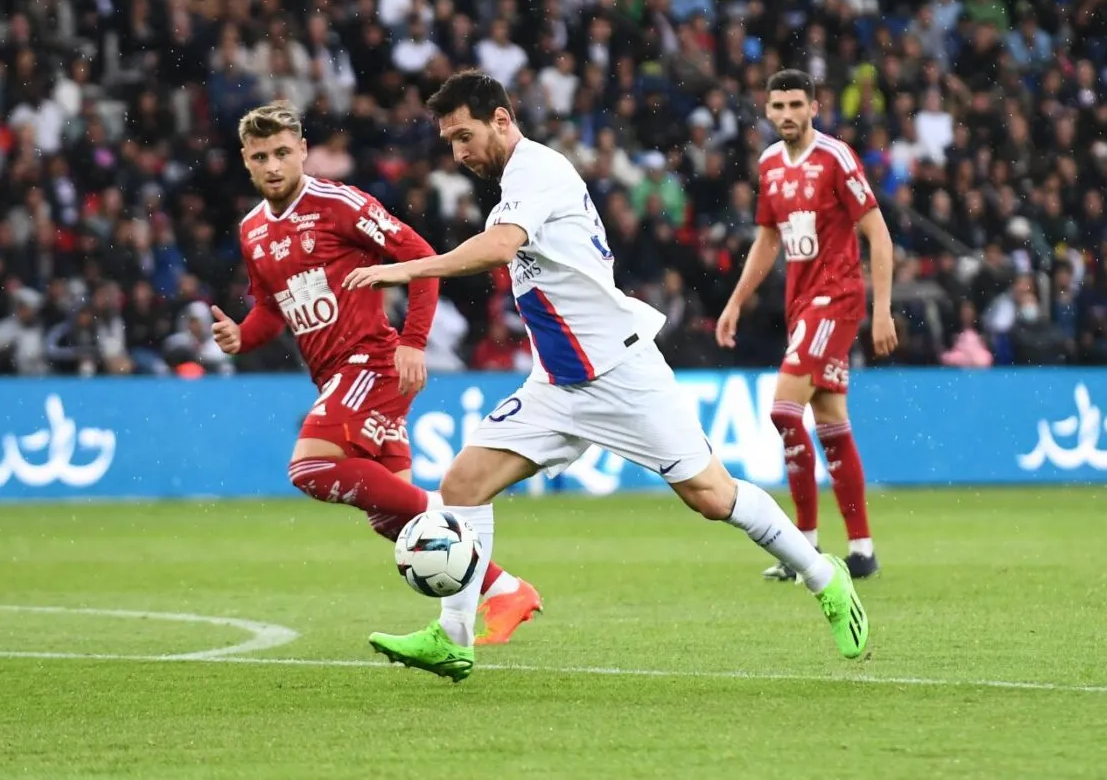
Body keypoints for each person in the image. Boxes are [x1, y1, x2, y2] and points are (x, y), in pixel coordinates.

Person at [345, 72, 868, 682]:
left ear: (502, 119)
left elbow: (496, 247)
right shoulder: (516, 179)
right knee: (462, 484)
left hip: (621, 374)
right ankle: (452, 637)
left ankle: (824, 577)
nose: (459, 153)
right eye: (450, 142)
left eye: (465, 136)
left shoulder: (536, 170)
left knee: (713, 498)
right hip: (558, 383)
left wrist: (404, 271)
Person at [211, 101, 542, 645]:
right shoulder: (252, 232)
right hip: (336, 377)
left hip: (370, 363)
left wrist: (412, 344)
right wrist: (241, 336)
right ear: (246, 162)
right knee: (392, 521)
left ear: (303, 152)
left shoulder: (338, 205)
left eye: (282, 153)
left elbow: (422, 259)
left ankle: (453, 519)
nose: (272, 165)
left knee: (310, 470)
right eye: (260, 157)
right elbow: (273, 309)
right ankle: (488, 605)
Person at [717, 70, 897, 583]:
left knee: (781, 410)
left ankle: (804, 549)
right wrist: (736, 302)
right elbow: (768, 240)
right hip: (803, 306)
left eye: (797, 104)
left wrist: (881, 310)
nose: (787, 114)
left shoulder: (836, 158)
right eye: (778, 106)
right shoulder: (770, 164)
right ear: (768, 110)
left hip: (836, 300)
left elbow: (878, 235)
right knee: (831, 423)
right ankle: (861, 550)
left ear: (815, 107)